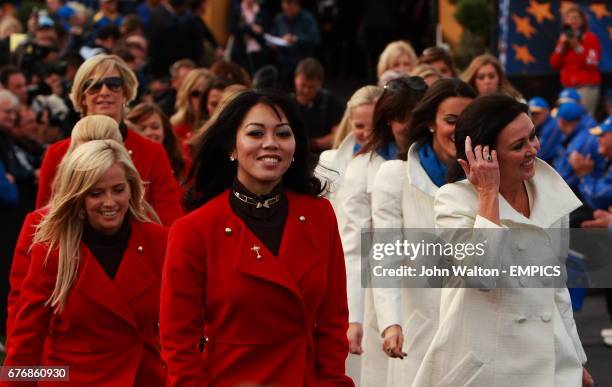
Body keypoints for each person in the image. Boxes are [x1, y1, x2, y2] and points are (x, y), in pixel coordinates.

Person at [159, 89, 353, 386]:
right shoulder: (193, 230)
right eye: (255, 133)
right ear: (232, 147)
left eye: (283, 134)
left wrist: (332, 381)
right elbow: (178, 339)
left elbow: (333, 318)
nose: (271, 144)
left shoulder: (319, 215)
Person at [412, 94, 593, 387]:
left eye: (533, 137)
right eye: (518, 146)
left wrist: (576, 358)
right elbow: (480, 276)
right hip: (492, 367)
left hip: (551, 362)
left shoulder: (551, 192)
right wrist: (487, 194)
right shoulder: (453, 199)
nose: (532, 149)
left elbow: (556, 289)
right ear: (484, 155)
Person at [4, 139, 167, 386]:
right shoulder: (52, 250)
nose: (110, 202)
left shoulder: (160, 242)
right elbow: (27, 337)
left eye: (118, 189)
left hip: (143, 377)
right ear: (78, 197)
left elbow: (186, 325)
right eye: (96, 193)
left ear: (132, 188)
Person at [371, 78, 476, 385]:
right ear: (431, 122)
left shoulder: (486, 179)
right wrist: (391, 323)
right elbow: (384, 257)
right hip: (418, 332)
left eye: (466, 121)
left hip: (473, 334)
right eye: (450, 120)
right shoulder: (394, 176)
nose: (458, 130)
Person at [339, 76, 427, 386]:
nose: (410, 126)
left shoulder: (441, 164)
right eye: (401, 117)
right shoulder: (362, 169)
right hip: (381, 296)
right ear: (388, 120)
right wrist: (355, 316)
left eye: (419, 116)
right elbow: (354, 249)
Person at [6, 115, 123, 344]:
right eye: (86, 152)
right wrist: (22, 370)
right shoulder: (39, 223)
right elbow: (21, 305)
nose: (95, 162)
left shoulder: (146, 229)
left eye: (104, 150)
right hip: (63, 363)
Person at [36, 54, 184, 226]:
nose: (104, 92)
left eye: (113, 84)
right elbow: (44, 221)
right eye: (94, 86)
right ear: (82, 97)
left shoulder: (151, 152)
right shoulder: (57, 154)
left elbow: (170, 219)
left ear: (125, 93)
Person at [550, 4, 601, 117]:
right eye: (569, 18)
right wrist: (561, 47)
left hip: (586, 87)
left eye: (576, 17)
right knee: (565, 118)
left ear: (582, 20)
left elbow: (592, 64)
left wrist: (577, 47)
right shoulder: (563, 39)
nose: (573, 20)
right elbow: (554, 64)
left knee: (583, 119)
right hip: (568, 89)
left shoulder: (590, 38)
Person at [292, 57, 344, 153]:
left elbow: (338, 134)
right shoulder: (288, 103)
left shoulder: (331, 102)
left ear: (320, 83)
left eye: (311, 87)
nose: (306, 90)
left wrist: (313, 144)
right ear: (295, 80)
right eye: (302, 85)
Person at [126, 103, 186, 183]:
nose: (149, 132)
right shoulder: (124, 164)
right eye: (142, 128)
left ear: (165, 131)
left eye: (155, 127)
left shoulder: (182, 164)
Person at [270, 0, 320, 84]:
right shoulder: (279, 18)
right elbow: (273, 34)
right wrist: (273, 43)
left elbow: (315, 38)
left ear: (297, 4)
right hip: (283, 63)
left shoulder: (307, 18)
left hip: (302, 62)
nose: (287, 8)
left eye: (290, 4)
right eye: (284, 4)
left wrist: (296, 38)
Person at [170, 68, 215, 159]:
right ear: (187, 96)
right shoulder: (175, 129)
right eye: (196, 94)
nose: (202, 99)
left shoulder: (224, 127)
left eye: (206, 94)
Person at [528, 97, 561, 164]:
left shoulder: (552, 126)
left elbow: (541, 154)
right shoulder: (541, 125)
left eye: (537, 113)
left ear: (546, 111)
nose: (534, 116)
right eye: (532, 113)